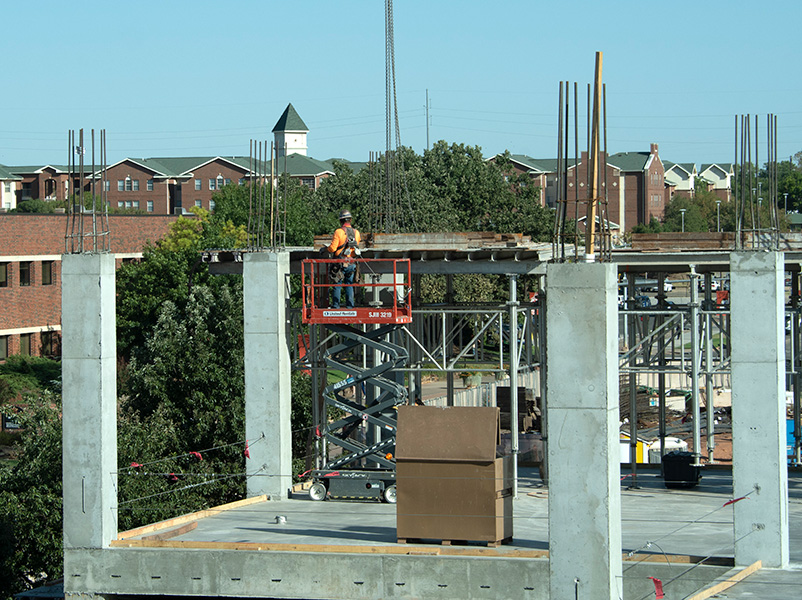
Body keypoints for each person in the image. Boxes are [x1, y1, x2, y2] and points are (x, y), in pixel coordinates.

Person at [323, 209, 361, 308]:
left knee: (337, 284)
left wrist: (325, 249)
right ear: (350, 220)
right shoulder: (356, 232)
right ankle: (350, 306)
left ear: (341, 221)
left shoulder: (338, 232)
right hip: (351, 263)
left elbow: (332, 248)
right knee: (349, 284)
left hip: (339, 263)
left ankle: (336, 306)